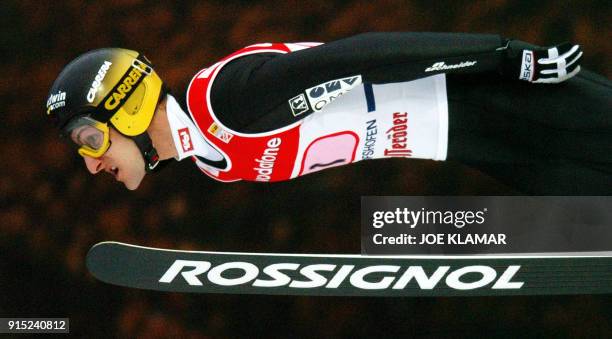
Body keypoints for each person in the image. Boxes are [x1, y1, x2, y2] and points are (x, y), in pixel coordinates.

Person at [45, 32, 611, 194]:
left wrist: (504, 58)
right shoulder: (216, 161)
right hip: (465, 142)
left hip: (493, 101)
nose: (92, 163)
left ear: (129, 103)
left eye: (91, 139)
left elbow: (364, 55)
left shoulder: (225, 100)